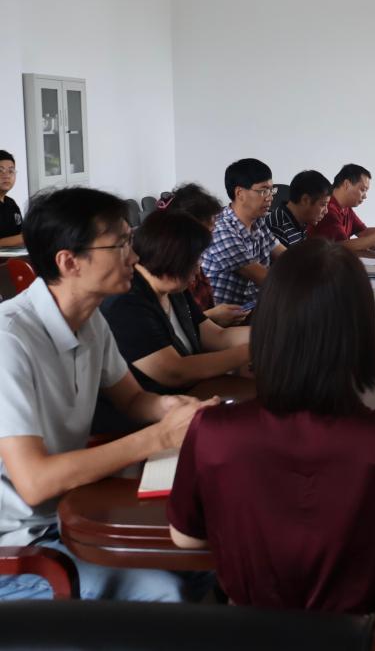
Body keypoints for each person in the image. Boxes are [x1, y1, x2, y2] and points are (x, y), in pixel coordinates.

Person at [168, 239, 375, 612]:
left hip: (249, 632)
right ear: (361, 332)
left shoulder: (212, 431)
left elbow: (186, 538)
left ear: (266, 327)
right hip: (364, 633)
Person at [0, 187, 214, 601]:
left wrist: (174, 407)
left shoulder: (91, 321)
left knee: (200, 560)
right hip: (23, 547)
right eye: (120, 245)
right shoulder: (10, 341)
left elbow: (132, 399)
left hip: (70, 514)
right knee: (166, 591)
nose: (134, 257)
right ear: (69, 262)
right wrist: (159, 436)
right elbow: (35, 481)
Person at [101, 210, 250, 396]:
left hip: (194, 394)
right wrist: (251, 351)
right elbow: (174, 371)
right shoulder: (126, 303)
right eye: (195, 260)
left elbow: (218, 337)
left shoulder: (174, 289)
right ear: (174, 259)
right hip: (160, 405)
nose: (199, 268)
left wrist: (270, 336)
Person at [201, 158, 285, 306]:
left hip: (252, 308)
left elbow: (286, 256)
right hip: (225, 316)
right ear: (240, 193)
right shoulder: (222, 229)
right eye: (263, 190)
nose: (270, 197)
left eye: (271, 190)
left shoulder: (258, 221)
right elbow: (264, 278)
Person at [162, 183, 248, 328]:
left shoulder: (195, 258)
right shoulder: (173, 268)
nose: (214, 230)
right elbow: (175, 326)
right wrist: (213, 316)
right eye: (209, 226)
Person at [309, 164, 375, 251]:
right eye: (362, 189)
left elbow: (363, 232)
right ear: (347, 184)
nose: (365, 196)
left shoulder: (345, 207)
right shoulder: (328, 209)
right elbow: (343, 246)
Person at [268, 170, 331, 247]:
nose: (326, 211)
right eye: (323, 204)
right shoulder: (279, 229)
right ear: (305, 200)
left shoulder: (302, 221)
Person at [0, 150, 24, 248]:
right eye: (0, 171)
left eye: (11, 171)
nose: (6, 176)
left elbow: (20, 233)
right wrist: (28, 236)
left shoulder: (11, 204)